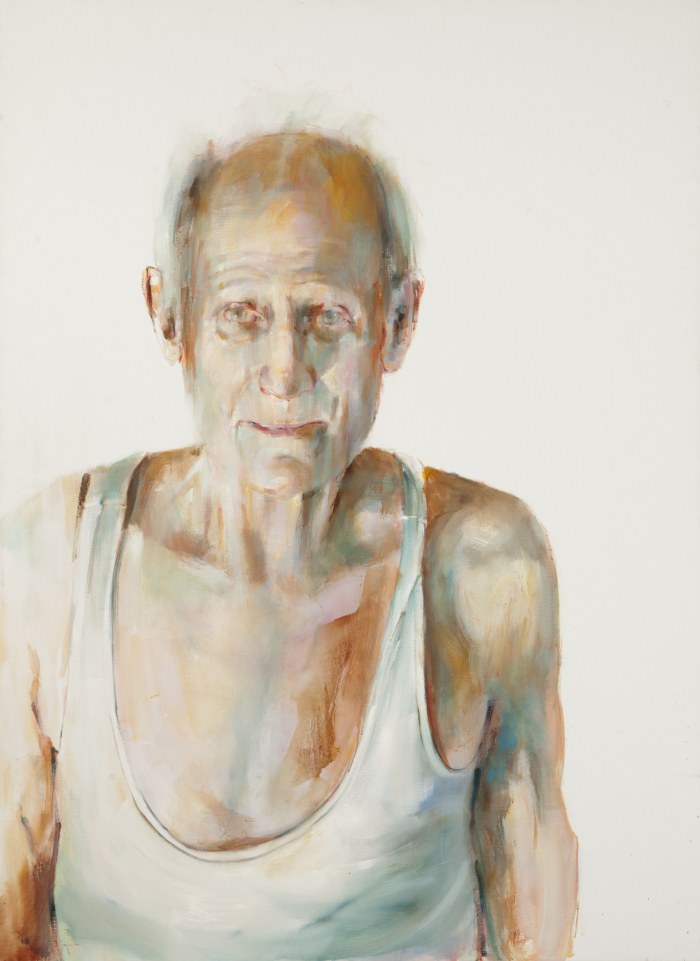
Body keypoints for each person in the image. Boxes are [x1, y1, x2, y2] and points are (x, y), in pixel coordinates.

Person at [0, 128, 578, 961]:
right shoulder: (49, 564)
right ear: (170, 316)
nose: (284, 370)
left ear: (399, 323)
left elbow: (535, 934)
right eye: (242, 314)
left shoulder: (481, 568)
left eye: (326, 317)